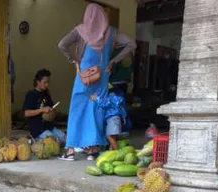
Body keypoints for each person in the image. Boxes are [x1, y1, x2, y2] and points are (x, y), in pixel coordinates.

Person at [58, 3, 136, 161]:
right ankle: (92, 151)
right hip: (102, 78)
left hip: (83, 78)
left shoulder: (80, 30)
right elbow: (131, 44)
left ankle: (70, 151)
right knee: (96, 111)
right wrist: (113, 61)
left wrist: (74, 61)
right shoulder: (111, 32)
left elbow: (62, 44)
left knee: (77, 111)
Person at [22, 69, 66, 144]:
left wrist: (52, 113)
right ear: (38, 82)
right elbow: (26, 113)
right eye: (45, 82)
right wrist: (42, 110)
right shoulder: (31, 95)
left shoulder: (46, 93)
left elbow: (51, 107)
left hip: (49, 126)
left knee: (65, 138)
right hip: (38, 129)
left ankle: (40, 141)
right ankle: (33, 139)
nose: (47, 85)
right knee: (55, 142)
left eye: (48, 82)